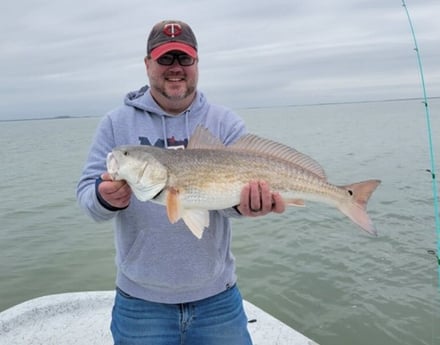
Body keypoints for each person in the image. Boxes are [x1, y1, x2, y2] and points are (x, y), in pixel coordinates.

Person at [77, 19, 285, 345]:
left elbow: (226, 206)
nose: (175, 68)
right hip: (140, 303)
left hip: (218, 299)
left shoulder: (223, 122)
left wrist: (248, 207)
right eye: (165, 59)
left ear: (196, 63)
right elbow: (88, 200)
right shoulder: (115, 124)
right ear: (147, 64)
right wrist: (104, 199)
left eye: (184, 59)